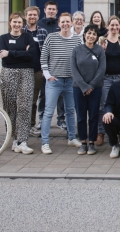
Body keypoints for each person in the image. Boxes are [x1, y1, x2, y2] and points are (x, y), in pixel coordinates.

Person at [40, 12, 82, 154]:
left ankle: (71, 138)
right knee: (48, 112)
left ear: (72, 23)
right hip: (55, 81)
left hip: (70, 81)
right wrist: (48, 76)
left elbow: (79, 60)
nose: (65, 24)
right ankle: (45, 143)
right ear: (59, 24)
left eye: (67, 22)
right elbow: (43, 58)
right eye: (62, 22)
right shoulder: (51, 38)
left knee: (70, 111)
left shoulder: (77, 40)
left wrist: (76, 76)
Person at [0, 12, 36, 155]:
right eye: (14, 22)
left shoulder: (28, 37)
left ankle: (23, 141)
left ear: (23, 24)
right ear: (10, 23)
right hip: (8, 73)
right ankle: (14, 138)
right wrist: (21, 53)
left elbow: (31, 55)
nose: (17, 25)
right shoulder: (3, 38)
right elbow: (3, 57)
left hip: (26, 73)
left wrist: (10, 53)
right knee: (10, 107)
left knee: (25, 106)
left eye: (19, 22)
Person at [70, 24, 105, 155]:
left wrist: (91, 86)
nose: (91, 36)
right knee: (81, 116)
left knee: (94, 116)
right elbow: (74, 70)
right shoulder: (76, 50)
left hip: (95, 89)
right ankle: (83, 142)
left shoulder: (100, 50)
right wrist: (84, 87)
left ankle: (91, 143)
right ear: (84, 35)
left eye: (94, 34)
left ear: (97, 37)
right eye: (89, 33)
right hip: (78, 89)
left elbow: (102, 69)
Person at [96, 16, 120, 146]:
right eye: (112, 25)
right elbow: (97, 58)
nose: (114, 27)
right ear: (108, 26)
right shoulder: (102, 40)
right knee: (103, 105)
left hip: (119, 77)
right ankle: (101, 132)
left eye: (116, 25)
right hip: (105, 77)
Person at [23, 6, 48, 138]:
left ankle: (31, 126)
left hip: (38, 70)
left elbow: (47, 51)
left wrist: (45, 69)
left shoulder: (43, 32)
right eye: (30, 15)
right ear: (25, 16)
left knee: (33, 100)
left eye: (34, 15)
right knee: (23, 99)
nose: (32, 17)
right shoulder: (21, 31)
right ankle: (21, 126)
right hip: (23, 70)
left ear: (38, 17)